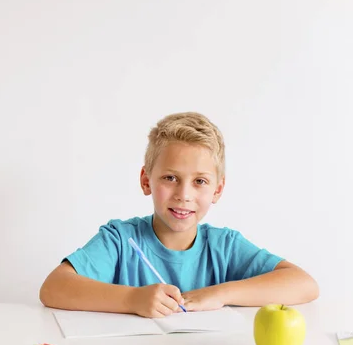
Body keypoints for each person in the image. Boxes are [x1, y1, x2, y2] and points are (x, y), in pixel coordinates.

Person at [39, 112, 319, 318]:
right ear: (146, 181)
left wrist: (220, 294)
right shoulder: (120, 240)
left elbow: (304, 284)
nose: (184, 194)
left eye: (200, 181)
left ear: (217, 190)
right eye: (170, 178)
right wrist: (132, 299)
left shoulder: (224, 246)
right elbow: (53, 288)